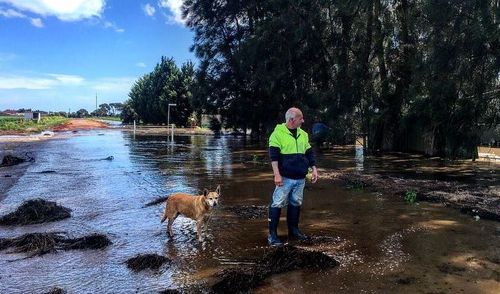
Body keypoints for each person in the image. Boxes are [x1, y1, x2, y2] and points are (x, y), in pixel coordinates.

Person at [267, 107, 318, 246]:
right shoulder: (277, 134)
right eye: (300, 118)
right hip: (284, 178)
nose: (303, 120)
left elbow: (309, 153)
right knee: (277, 203)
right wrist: (277, 175)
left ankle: (294, 231)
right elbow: (274, 157)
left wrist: (314, 169)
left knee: (296, 203)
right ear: (291, 120)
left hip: (300, 178)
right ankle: (272, 235)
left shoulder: (303, 134)